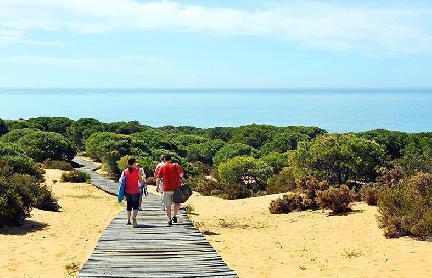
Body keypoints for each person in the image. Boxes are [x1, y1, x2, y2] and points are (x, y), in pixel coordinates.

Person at [157, 154, 183, 226]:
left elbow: (158, 178)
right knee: (177, 203)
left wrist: (157, 187)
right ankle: (174, 216)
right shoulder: (176, 166)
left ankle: (169, 219)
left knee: (167, 205)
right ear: (170, 159)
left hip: (166, 188)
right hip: (176, 187)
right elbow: (181, 175)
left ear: (164, 159)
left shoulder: (162, 167)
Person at [119, 157, 144, 227]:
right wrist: (143, 183)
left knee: (129, 206)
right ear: (133, 163)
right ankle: (134, 218)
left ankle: (128, 220)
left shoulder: (125, 171)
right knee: (136, 206)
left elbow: (120, 180)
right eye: (135, 162)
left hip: (127, 192)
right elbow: (141, 181)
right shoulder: (137, 171)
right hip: (135, 191)